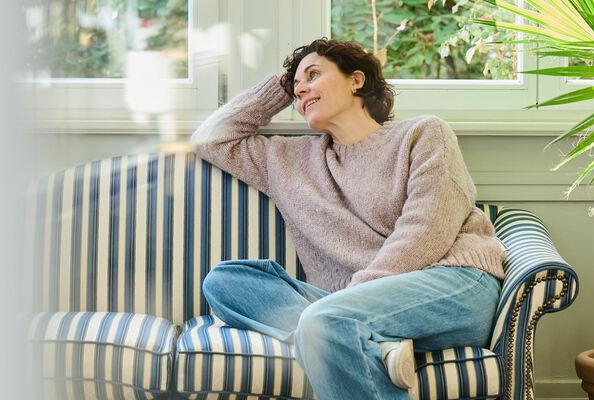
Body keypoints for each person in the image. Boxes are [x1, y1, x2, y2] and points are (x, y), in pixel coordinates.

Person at [191, 38, 505, 400]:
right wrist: (283, 85)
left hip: (450, 283)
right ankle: (377, 345)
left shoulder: (422, 133)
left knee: (325, 321)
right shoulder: (286, 160)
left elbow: (427, 227)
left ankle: (347, 330)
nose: (302, 88)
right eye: (296, 86)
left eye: (314, 74)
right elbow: (211, 139)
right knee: (226, 281)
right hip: (350, 306)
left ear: (356, 80)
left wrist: (353, 299)